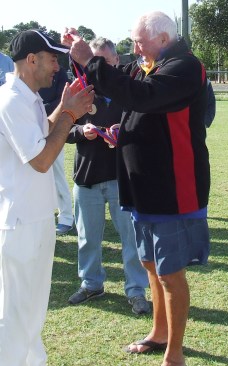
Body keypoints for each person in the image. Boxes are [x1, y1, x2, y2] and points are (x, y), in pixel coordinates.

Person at [63, 10, 210, 366]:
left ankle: (175, 354)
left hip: (173, 187)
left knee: (171, 272)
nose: (135, 47)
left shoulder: (186, 66)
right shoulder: (148, 63)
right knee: (150, 264)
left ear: (163, 39)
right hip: (141, 185)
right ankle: (159, 334)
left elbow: (141, 97)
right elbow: (120, 95)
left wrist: (92, 59)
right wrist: (121, 131)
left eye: (139, 41)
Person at [0, 29, 94, 365]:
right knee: (14, 314)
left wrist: (64, 110)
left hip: (36, 218)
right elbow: (41, 160)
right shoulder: (11, 99)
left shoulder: (28, 96)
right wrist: (69, 115)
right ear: (31, 60)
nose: (58, 66)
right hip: (20, 221)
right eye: (53, 58)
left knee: (33, 309)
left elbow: (41, 135)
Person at [66, 37, 150, 315]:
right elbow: (59, 130)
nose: (94, 67)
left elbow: (146, 129)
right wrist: (81, 131)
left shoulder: (130, 91)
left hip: (121, 177)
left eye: (101, 61)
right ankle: (91, 283)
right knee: (87, 238)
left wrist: (122, 133)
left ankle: (136, 290)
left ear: (115, 61)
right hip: (86, 177)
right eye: (91, 61)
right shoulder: (80, 90)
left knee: (131, 238)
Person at [40, 67, 74, 235]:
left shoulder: (59, 72)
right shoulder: (30, 70)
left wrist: (40, 111)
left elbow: (62, 100)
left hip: (52, 128)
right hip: (30, 126)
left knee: (58, 173)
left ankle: (66, 217)